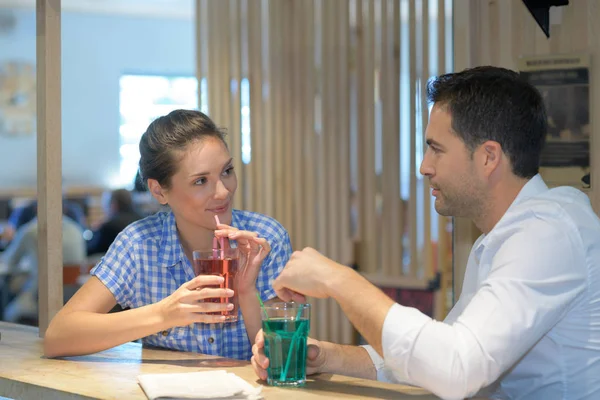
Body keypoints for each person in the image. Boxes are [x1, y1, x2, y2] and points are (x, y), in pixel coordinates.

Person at [251, 66, 600, 399]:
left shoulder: (547, 233)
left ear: (489, 157)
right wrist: (326, 358)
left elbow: (456, 369)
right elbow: (432, 359)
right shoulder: (497, 239)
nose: (424, 166)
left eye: (436, 148)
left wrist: (339, 280)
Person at [44, 109, 292, 360]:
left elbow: (283, 360)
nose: (223, 192)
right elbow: (58, 337)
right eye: (200, 181)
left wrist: (247, 292)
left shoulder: (265, 239)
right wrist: (165, 314)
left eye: (226, 171)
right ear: (159, 191)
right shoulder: (140, 244)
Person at [0, 216, 86, 324]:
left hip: (40, 296)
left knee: (10, 312)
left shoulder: (30, 230)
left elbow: (9, 261)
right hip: (72, 299)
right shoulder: (75, 228)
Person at [86, 188, 142, 255]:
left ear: (114, 204)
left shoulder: (110, 226)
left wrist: (95, 231)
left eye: (107, 205)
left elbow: (92, 250)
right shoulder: (144, 219)